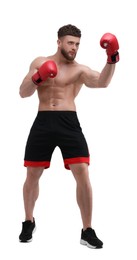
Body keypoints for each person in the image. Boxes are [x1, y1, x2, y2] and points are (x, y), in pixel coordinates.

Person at [19, 24, 119, 248]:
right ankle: (28, 221)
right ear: (59, 42)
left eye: (77, 44)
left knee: (82, 171)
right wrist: (38, 76)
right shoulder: (39, 61)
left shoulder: (79, 70)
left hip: (69, 122)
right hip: (43, 121)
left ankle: (87, 230)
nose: (74, 48)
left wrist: (112, 58)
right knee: (32, 174)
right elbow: (23, 92)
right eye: (70, 43)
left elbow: (102, 81)